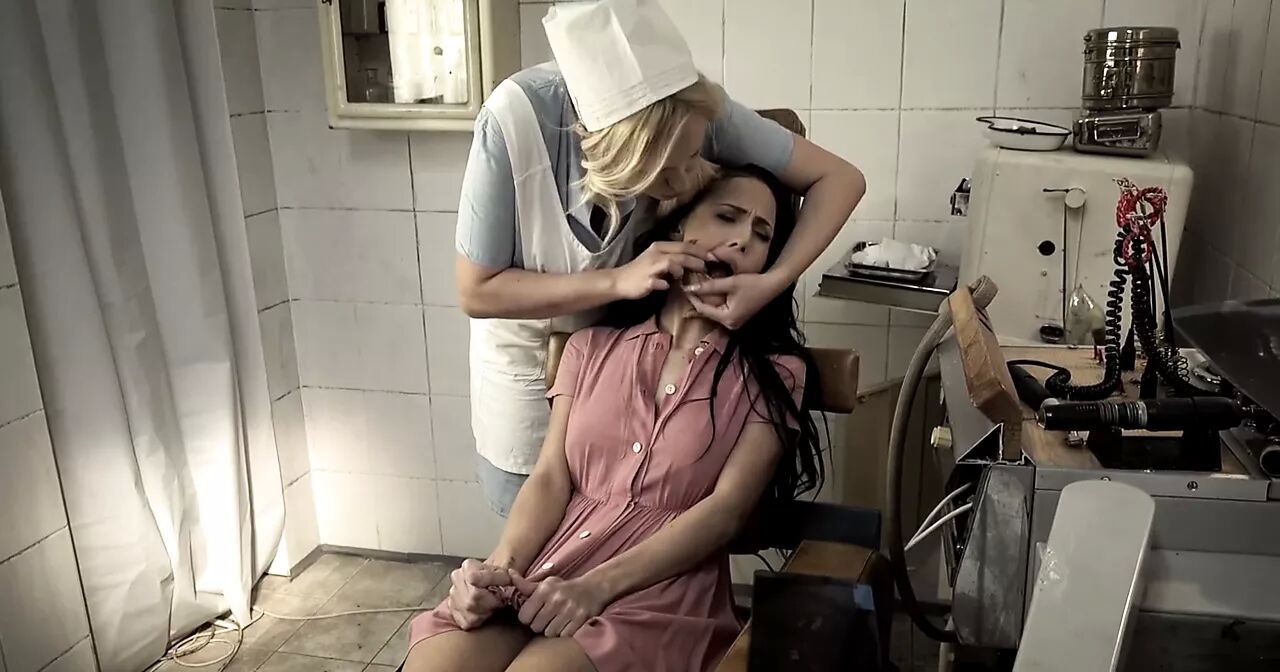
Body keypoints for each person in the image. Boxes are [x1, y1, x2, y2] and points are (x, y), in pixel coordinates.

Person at [404, 165, 825, 672]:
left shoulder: (776, 373)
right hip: (550, 567)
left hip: (662, 592)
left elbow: (727, 511)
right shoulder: (590, 347)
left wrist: (596, 588)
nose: (741, 241)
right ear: (677, 226)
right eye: (726, 217)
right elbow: (551, 477)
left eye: (761, 235)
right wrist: (498, 569)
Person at [458, 0, 865, 516]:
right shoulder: (513, 124)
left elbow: (841, 179)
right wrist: (618, 281)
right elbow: (476, 290)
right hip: (533, 372)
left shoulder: (691, 109)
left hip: (628, 378)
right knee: (539, 533)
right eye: (665, 171)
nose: (688, 180)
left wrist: (774, 280)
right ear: (615, 156)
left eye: (694, 156)